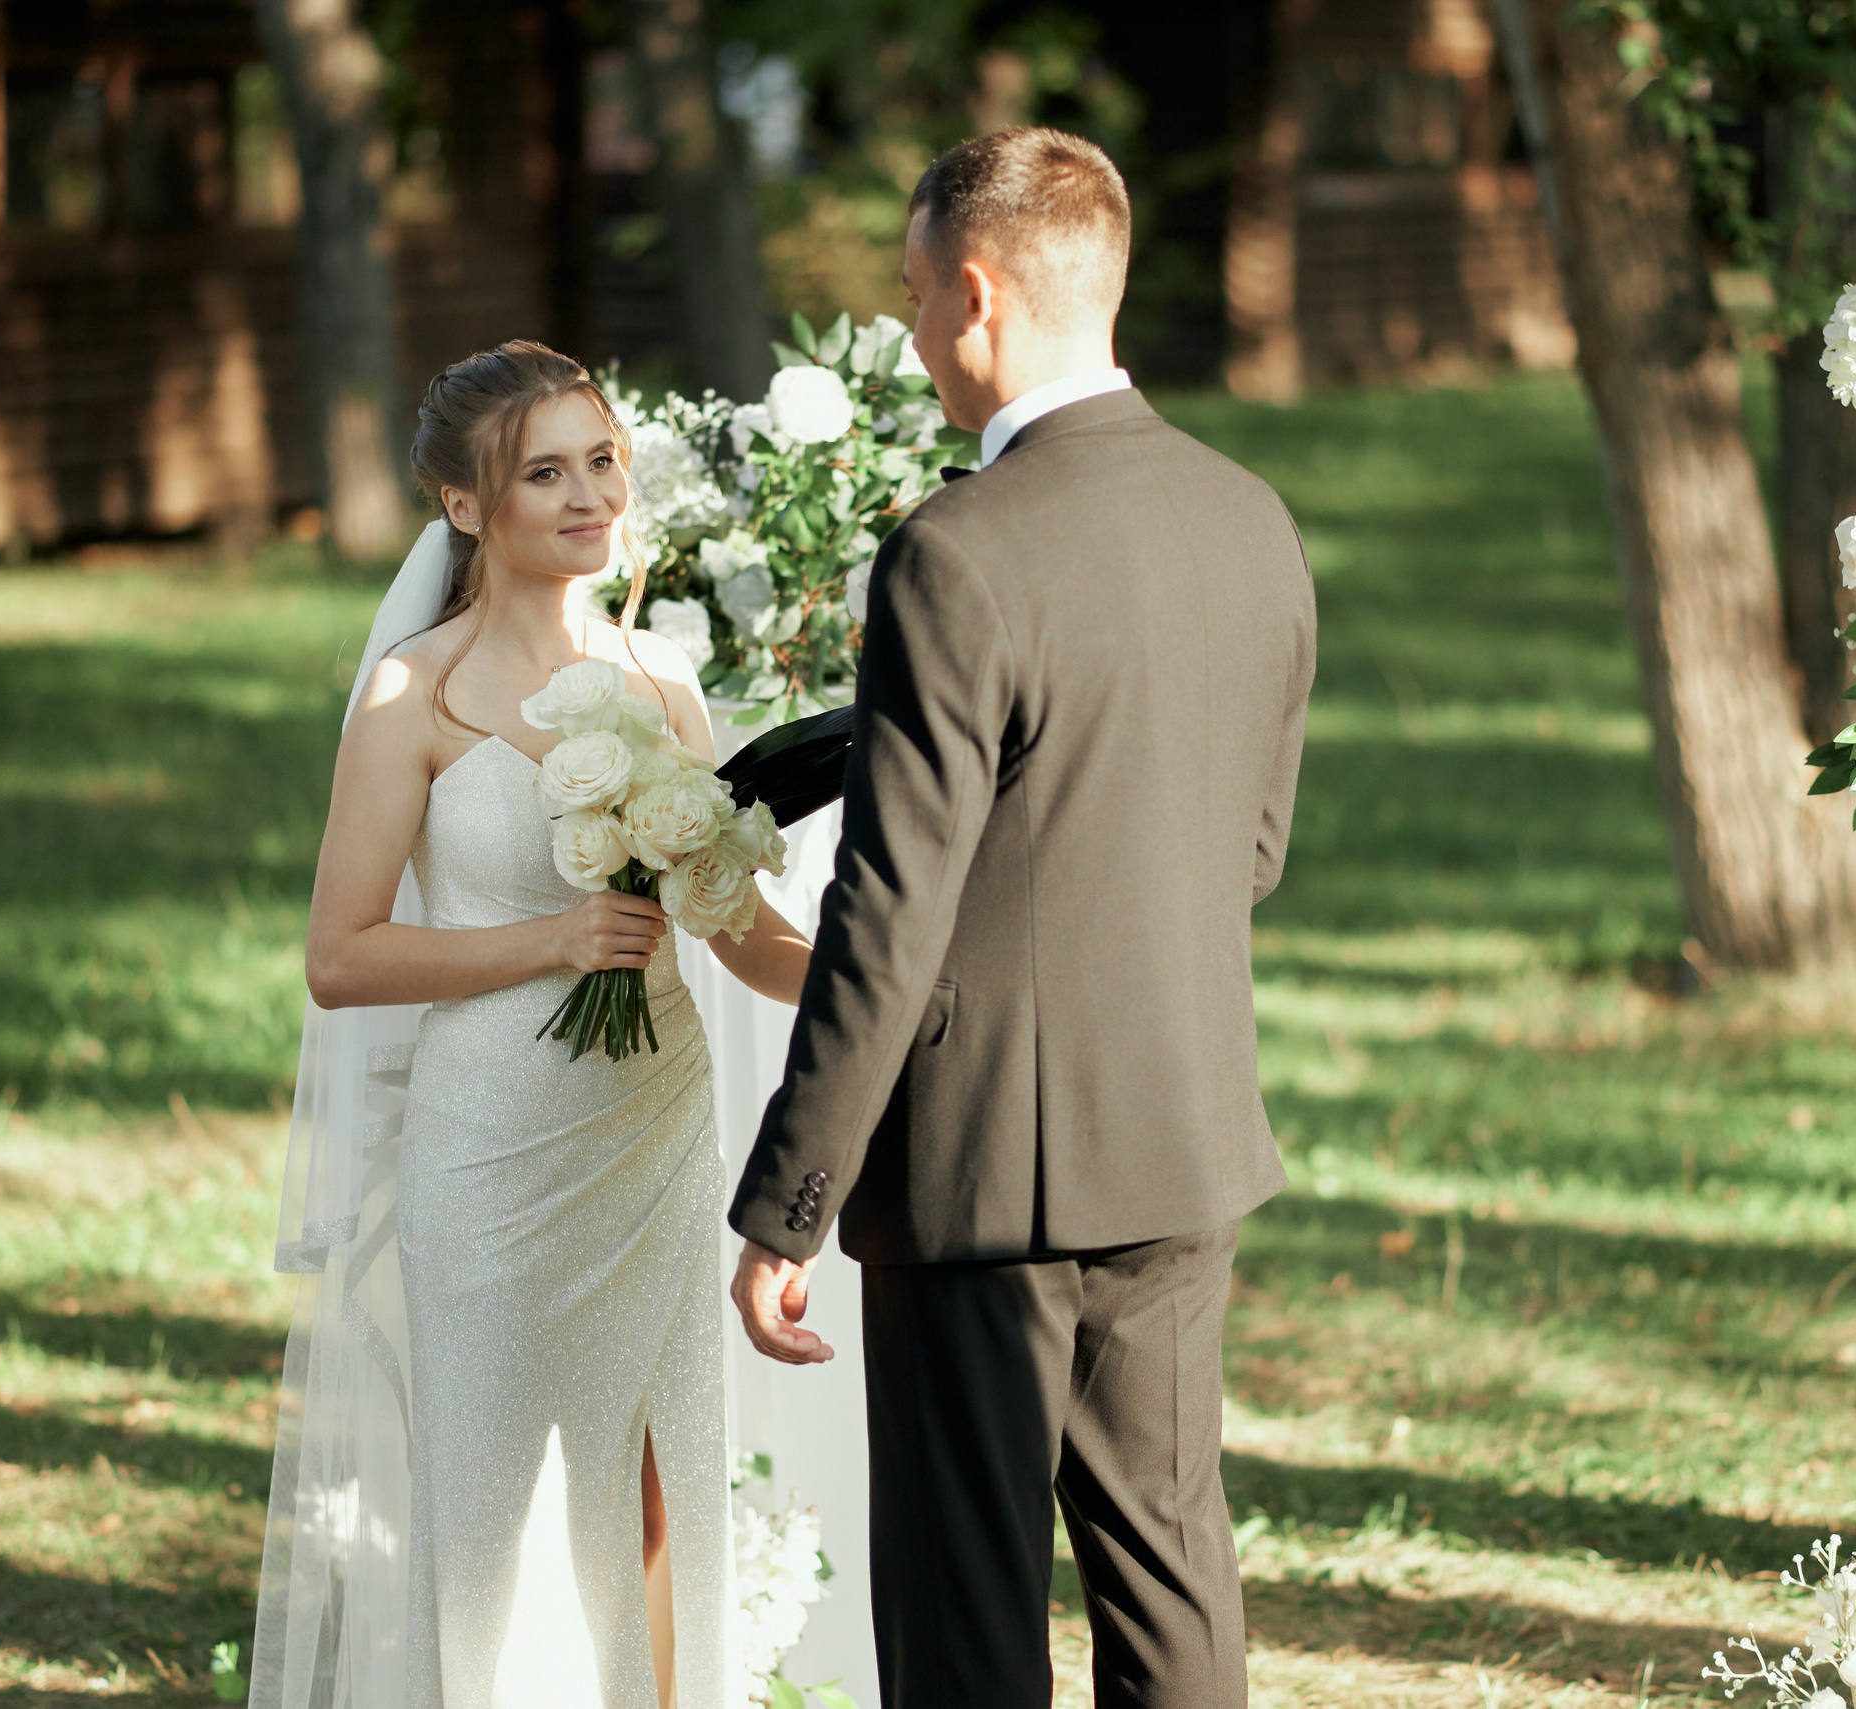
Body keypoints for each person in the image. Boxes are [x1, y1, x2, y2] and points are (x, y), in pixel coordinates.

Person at [725, 128, 1317, 1708]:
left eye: (918, 299)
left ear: (979, 295)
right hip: (1184, 1143)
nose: (914, 338)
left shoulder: (956, 553)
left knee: (965, 1614)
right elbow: (1248, 851)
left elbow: (888, 913)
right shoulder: (1250, 513)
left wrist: (790, 1199)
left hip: (981, 1178)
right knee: (1172, 1573)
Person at [252, 342, 813, 1709]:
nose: (590, 495)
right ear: (462, 505)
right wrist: (553, 939)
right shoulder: (414, 696)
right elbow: (341, 956)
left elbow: (741, 937)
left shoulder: (661, 675)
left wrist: (895, 968)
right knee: (490, 1516)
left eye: (603, 459)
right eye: (545, 470)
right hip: (491, 1149)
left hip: (654, 1131)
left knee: (653, 1494)